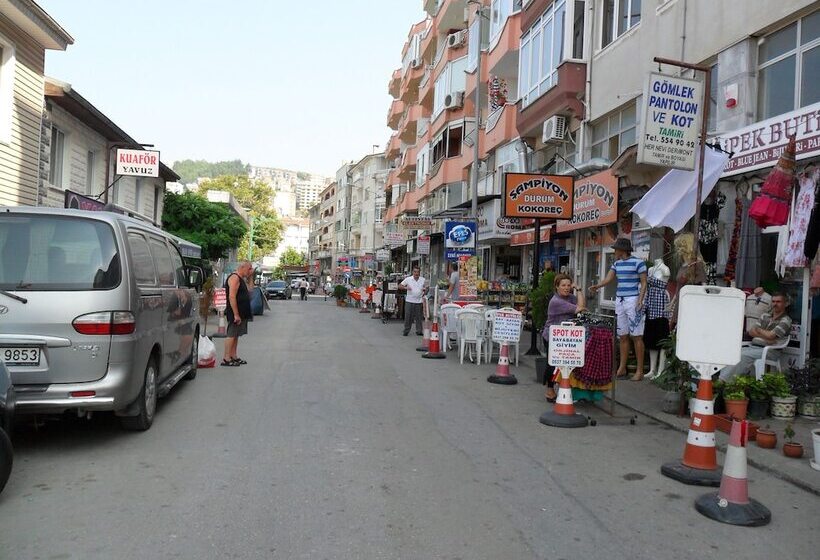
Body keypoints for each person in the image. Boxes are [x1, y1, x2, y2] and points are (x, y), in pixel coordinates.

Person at [589, 237, 648, 381]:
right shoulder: (616, 264)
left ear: (623, 250)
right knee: (623, 335)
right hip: (620, 300)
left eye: (616, 249)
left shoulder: (638, 262)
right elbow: (609, 279)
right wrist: (598, 286)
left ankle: (639, 370)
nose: (614, 251)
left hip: (633, 299)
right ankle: (622, 367)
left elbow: (644, 282)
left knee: (637, 335)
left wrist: (640, 299)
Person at [719, 292, 792, 381]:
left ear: (785, 304)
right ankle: (726, 381)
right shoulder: (765, 316)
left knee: (743, 355)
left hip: (770, 351)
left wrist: (759, 330)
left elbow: (771, 335)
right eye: (773, 301)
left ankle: (723, 382)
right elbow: (751, 331)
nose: (775, 304)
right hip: (754, 347)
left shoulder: (786, 320)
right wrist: (766, 336)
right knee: (732, 353)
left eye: (778, 302)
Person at [542, 274, 586, 402]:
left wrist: (578, 290)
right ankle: (550, 390)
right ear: (557, 287)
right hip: (552, 336)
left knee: (568, 362)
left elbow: (581, 305)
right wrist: (579, 295)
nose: (566, 288)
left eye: (568, 285)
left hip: (566, 336)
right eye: (563, 285)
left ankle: (565, 389)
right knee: (553, 363)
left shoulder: (570, 297)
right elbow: (580, 308)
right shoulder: (556, 301)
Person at [222, 261, 253, 367]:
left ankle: (233, 355)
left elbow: (250, 290)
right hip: (236, 312)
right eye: (249, 269)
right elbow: (231, 296)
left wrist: (250, 277)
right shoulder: (234, 278)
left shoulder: (242, 279)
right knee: (231, 334)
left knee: (236, 335)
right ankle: (226, 358)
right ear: (242, 267)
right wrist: (236, 314)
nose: (250, 271)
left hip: (242, 312)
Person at [399, 266, 427, 336]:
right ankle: (406, 331)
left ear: (420, 272)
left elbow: (426, 288)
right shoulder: (408, 279)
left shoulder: (423, 279)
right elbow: (399, 286)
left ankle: (419, 331)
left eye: (418, 272)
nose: (416, 273)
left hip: (419, 301)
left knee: (419, 317)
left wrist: (425, 290)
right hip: (409, 301)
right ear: (412, 272)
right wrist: (406, 287)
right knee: (408, 317)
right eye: (415, 272)